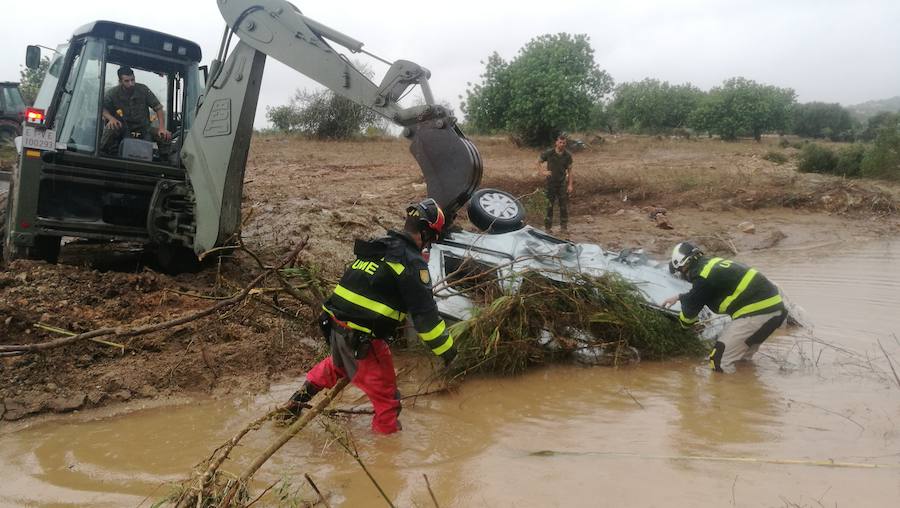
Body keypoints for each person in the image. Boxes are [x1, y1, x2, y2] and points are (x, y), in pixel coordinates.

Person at [281, 198, 458, 434]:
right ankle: (386, 453)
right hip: (363, 340)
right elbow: (426, 320)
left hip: (333, 325)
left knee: (339, 364)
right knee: (388, 402)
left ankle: (294, 404)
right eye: (433, 238)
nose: (431, 244)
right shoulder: (412, 264)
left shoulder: (379, 245)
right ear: (425, 233)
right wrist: (447, 352)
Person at [662, 242, 786, 373]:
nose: (682, 276)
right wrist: (680, 297)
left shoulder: (703, 277)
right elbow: (700, 293)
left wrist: (681, 326)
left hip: (757, 314)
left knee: (718, 360)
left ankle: (725, 392)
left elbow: (689, 315)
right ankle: (747, 387)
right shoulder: (710, 265)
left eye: (680, 271)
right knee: (740, 361)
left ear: (685, 265)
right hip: (773, 312)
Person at [100, 66, 172, 156]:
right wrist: (111, 118)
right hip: (122, 127)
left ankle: (165, 162)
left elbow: (158, 108)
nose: (131, 83)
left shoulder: (143, 90)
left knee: (165, 136)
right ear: (120, 81)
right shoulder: (112, 93)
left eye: (132, 80)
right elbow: (102, 108)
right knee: (111, 127)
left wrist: (162, 128)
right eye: (127, 81)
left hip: (144, 128)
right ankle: (102, 154)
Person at [536, 133, 574, 232]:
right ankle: (548, 228)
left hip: (562, 183)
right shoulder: (549, 153)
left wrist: (570, 185)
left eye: (564, 143)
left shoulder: (568, 155)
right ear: (556, 143)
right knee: (549, 205)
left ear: (565, 144)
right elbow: (538, 161)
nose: (562, 144)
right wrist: (543, 172)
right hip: (550, 182)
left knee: (563, 205)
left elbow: (570, 172)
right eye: (560, 142)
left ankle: (564, 227)